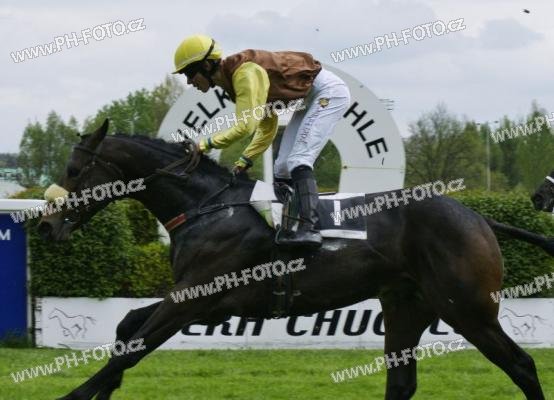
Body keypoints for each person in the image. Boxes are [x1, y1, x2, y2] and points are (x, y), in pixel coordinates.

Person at [172, 34, 351, 248]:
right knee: (282, 167)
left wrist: (203, 145)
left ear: (207, 65)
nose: (189, 81)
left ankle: (309, 229)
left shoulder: (245, 74)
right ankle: (288, 224)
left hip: (328, 92)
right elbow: (267, 126)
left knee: (298, 160)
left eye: (190, 73)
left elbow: (245, 126)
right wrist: (246, 159)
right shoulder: (233, 80)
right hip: (310, 97)